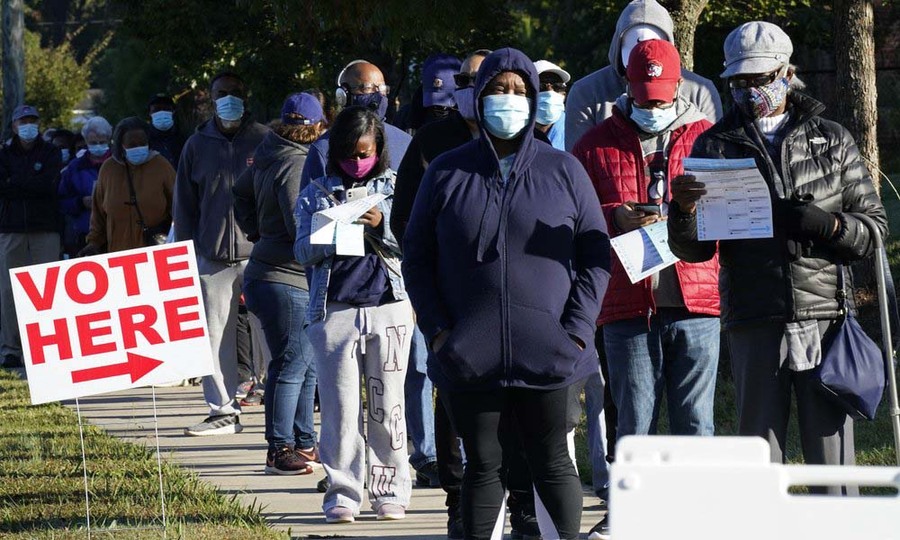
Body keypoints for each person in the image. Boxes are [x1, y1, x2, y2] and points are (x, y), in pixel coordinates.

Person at [667, 22, 887, 491]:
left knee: (833, 466)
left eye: (760, 78)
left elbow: (874, 230)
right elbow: (694, 250)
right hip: (754, 318)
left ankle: (835, 525)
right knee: (758, 463)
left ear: (788, 72)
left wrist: (829, 226)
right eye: (738, 81)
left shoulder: (832, 139)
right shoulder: (713, 144)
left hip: (824, 317)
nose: (749, 91)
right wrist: (682, 213)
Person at [402, 48, 611, 540]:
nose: (508, 99)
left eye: (519, 91)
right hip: (468, 355)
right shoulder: (446, 171)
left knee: (552, 463)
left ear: (534, 100)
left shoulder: (564, 171)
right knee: (482, 466)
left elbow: (595, 257)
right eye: (498, 89)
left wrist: (576, 333)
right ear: (478, 97)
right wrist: (438, 332)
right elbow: (416, 257)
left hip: (551, 354)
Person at [572, 39, 720, 540]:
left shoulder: (708, 139)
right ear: (626, 86)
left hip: (696, 299)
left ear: (680, 86)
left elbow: (731, 216)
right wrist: (613, 216)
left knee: (695, 421)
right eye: (642, 95)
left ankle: (697, 519)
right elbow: (572, 218)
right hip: (627, 301)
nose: (651, 105)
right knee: (634, 421)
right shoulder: (594, 146)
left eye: (660, 96)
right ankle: (631, 515)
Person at [294, 105, 413, 524]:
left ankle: (390, 490)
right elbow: (301, 251)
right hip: (335, 311)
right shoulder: (315, 192)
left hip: (389, 307)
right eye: (348, 154)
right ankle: (343, 492)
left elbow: (415, 242)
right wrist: (331, 232)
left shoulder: (397, 188)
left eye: (364, 153)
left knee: (388, 405)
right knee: (340, 410)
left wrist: (382, 225)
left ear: (378, 149)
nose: (357, 161)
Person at [391, 48, 489, 539]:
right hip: (451, 300)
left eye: (482, 80)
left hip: (511, 299)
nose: (472, 89)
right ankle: (457, 498)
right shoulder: (432, 141)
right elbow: (404, 222)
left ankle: (513, 500)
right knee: (453, 398)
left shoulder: (525, 140)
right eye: (464, 81)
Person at [234, 93, 327, 475]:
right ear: (317, 126)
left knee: (305, 364)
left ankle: (304, 441)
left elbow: (239, 192)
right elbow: (298, 225)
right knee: (290, 365)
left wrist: (256, 231)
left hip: (273, 273)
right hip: (284, 277)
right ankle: (279, 449)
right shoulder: (296, 162)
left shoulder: (268, 153)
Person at [174, 71, 270, 436]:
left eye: (235, 92)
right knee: (213, 339)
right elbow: (184, 206)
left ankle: (286, 410)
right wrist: (185, 255)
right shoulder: (196, 145)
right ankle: (223, 411)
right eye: (221, 93)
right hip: (212, 258)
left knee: (272, 334)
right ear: (212, 99)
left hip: (260, 255)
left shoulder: (264, 140)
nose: (229, 98)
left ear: (246, 96)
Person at [565, 0, 722, 151]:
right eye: (636, 44)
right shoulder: (586, 92)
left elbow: (713, 156)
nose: (646, 54)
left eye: (654, 43)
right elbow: (578, 160)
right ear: (619, 45)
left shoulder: (700, 91)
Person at [0, 105, 62, 368]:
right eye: (23, 121)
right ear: (14, 125)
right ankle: (11, 349)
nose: (28, 125)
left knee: (45, 290)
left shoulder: (51, 151)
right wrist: (30, 182)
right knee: (8, 291)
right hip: (11, 228)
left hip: (45, 228)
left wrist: (16, 182)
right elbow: (2, 187)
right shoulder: (3, 153)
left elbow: (49, 185)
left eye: (32, 120)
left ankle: (43, 347)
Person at [300, 60, 411, 187]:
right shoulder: (323, 148)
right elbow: (310, 197)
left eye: (382, 89)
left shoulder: (406, 142)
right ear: (343, 95)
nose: (378, 95)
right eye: (367, 88)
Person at [80, 117, 174, 254]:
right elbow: (98, 215)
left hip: (156, 252)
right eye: (132, 144)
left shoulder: (161, 165)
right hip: (119, 253)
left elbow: (179, 207)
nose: (138, 147)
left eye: (142, 143)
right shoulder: (108, 169)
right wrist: (93, 243)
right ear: (121, 145)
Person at [58, 116, 113, 257]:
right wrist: (81, 202)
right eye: (93, 142)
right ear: (86, 141)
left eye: (102, 142)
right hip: (85, 233)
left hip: (116, 231)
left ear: (109, 140)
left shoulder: (120, 164)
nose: (98, 146)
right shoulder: (75, 167)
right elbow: (62, 200)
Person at [534, 60, 569, 150]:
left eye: (557, 87)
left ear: (564, 95)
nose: (550, 93)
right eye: (541, 87)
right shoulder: (513, 132)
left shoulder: (576, 129)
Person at [148, 93, 185, 169]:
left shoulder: (184, 138)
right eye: (157, 109)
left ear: (173, 111)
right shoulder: (145, 141)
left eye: (166, 109)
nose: (162, 112)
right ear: (150, 113)